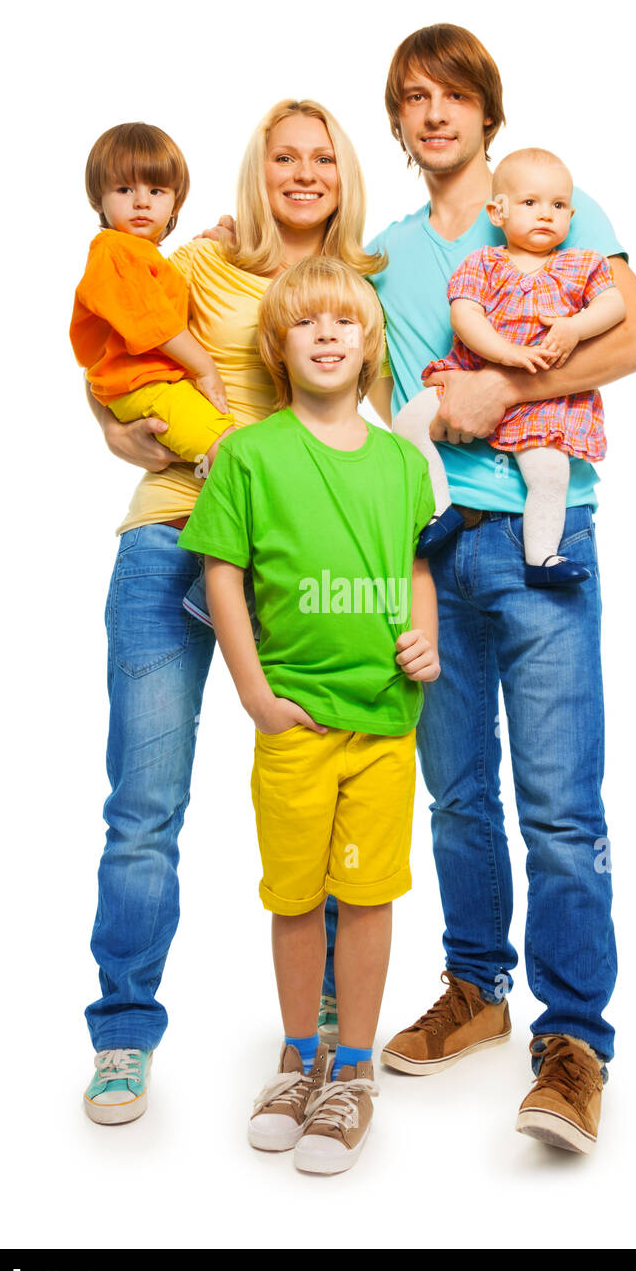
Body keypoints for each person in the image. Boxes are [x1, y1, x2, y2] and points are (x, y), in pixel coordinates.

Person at [363, 23, 636, 1154]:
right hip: (435, 544)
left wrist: (494, 391)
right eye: (410, 99)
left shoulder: (556, 202)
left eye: (453, 96)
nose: (432, 114)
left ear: (487, 111)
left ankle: (572, 1041)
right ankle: (476, 988)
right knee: (454, 795)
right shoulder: (387, 251)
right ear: (397, 123)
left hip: (545, 543)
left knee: (561, 807)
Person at [81, 100, 384, 1126]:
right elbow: (111, 366)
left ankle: (333, 1004)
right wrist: (137, 437)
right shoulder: (198, 263)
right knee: (145, 804)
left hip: (296, 572)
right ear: (256, 172)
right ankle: (123, 1033)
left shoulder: (359, 284)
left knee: (330, 781)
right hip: (172, 537)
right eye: (281, 158)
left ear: (344, 175)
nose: (301, 174)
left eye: (320, 160)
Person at [176, 255, 438, 1173]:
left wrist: (426, 641)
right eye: (306, 323)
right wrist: (254, 695)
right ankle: (297, 1059)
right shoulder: (250, 455)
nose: (327, 334)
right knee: (293, 898)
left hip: (382, 728)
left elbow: (413, 569)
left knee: (366, 896)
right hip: (297, 728)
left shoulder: (406, 463)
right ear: (279, 348)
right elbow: (222, 576)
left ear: (369, 345)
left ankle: (353, 1070)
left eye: (344, 322)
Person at [400, 147, 627, 583]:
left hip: (541, 399)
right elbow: (464, 315)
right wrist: (506, 355)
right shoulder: (483, 263)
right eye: (530, 203)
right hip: (468, 377)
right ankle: (440, 511)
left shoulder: (580, 264)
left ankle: (541, 557)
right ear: (497, 211)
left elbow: (614, 304)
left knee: (549, 472)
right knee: (409, 425)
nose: (545, 215)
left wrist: (576, 327)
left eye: (558, 205)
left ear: (572, 213)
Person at [71, 122, 234, 475]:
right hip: (149, 387)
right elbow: (156, 324)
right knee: (232, 453)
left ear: (176, 202)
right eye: (125, 188)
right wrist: (204, 369)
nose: (142, 201)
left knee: (231, 448)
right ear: (99, 197)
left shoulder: (145, 257)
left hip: (156, 387)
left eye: (157, 190)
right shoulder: (113, 251)